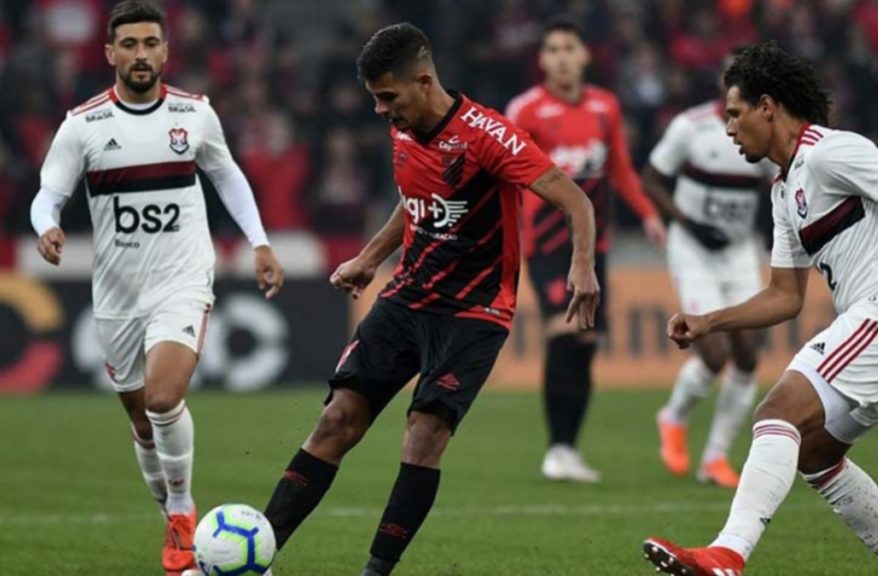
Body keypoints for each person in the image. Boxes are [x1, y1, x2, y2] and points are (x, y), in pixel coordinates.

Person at [262, 23, 599, 576]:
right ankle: (259, 555)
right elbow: (415, 200)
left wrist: (581, 268)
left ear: (423, 81)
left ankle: (376, 572)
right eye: (375, 98)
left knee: (423, 437)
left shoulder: (489, 135)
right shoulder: (404, 128)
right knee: (335, 421)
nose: (379, 111)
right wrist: (370, 258)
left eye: (387, 97)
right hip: (406, 297)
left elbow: (576, 200)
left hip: (473, 313)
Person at [643, 41, 878, 576]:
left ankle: (727, 555)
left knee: (777, 412)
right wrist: (709, 321)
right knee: (816, 456)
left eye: (735, 114)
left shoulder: (828, 151)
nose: (728, 129)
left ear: (768, 107)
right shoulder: (782, 191)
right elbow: (784, 297)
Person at [29, 2, 283, 574]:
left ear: (166, 50)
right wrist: (46, 224)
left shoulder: (196, 115)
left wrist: (260, 242)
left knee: (163, 399)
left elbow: (227, 175)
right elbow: (48, 192)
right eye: (130, 44)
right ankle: (171, 505)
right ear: (110, 52)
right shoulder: (84, 125)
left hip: (183, 279)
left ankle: (183, 515)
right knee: (142, 423)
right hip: (117, 294)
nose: (141, 54)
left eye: (151, 43)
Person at [504, 18, 666, 483]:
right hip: (547, 244)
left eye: (568, 48)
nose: (560, 56)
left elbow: (619, 169)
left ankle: (568, 449)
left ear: (584, 55)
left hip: (594, 245)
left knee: (587, 341)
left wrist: (649, 214)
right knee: (563, 330)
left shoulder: (604, 106)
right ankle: (556, 450)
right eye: (551, 49)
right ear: (542, 59)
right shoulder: (526, 109)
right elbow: (507, 176)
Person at [643, 48, 773, 489]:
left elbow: (784, 182)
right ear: (721, 79)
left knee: (748, 355)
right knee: (713, 353)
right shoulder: (691, 126)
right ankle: (673, 416)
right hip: (692, 248)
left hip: (738, 250)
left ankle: (715, 458)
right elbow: (652, 179)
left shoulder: (767, 133)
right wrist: (688, 223)